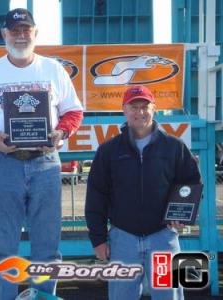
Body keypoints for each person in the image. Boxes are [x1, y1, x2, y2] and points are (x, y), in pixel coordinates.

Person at [0, 8, 83, 300]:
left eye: (25, 30)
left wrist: (61, 133)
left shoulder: (53, 69)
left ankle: (43, 296)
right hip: (4, 163)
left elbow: (73, 110)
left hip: (45, 165)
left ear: (35, 33)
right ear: (4, 34)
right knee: (3, 245)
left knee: (47, 246)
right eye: (13, 30)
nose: (20, 35)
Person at [85, 85, 201, 300]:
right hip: (122, 239)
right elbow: (96, 195)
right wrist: (98, 238)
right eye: (134, 107)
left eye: (145, 106)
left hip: (163, 237)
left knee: (169, 296)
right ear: (124, 110)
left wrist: (182, 216)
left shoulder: (174, 146)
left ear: (154, 108)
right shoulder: (109, 150)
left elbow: (191, 184)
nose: (140, 112)